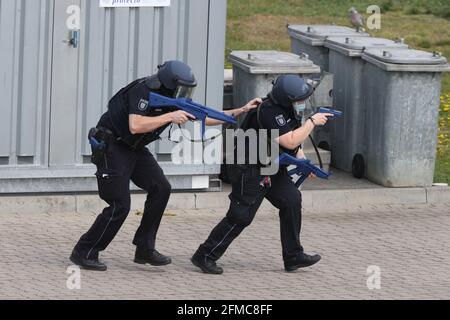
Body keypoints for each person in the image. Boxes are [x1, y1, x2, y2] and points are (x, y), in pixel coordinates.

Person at [70, 60, 261, 271]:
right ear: (170, 83)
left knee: (161, 188)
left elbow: (203, 117)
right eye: (182, 88)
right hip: (113, 146)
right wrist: (169, 116)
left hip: (134, 148)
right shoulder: (142, 90)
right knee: (119, 205)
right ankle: (84, 251)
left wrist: (240, 110)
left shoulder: (172, 98)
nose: (185, 92)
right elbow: (135, 125)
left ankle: (144, 248)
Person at [191, 74, 332, 274]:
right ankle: (205, 254)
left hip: (272, 164)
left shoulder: (287, 109)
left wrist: (302, 161)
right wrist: (312, 122)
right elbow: (290, 140)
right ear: (286, 98)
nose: (303, 103)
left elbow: (293, 142)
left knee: (291, 199)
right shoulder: (269, 111)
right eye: (299, 100)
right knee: (241, 216)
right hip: (251, 168)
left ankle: (293, 256)